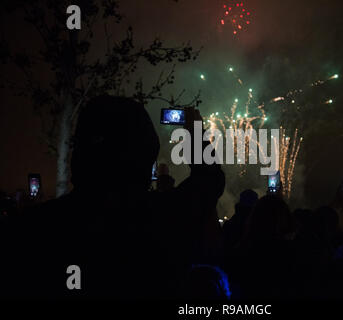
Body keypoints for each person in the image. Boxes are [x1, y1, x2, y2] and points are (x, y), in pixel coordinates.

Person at [0, 95, 225, 299]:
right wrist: (196, 135)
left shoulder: (31, 228)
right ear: (145, 158)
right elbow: (209, 179)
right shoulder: (165, 219)